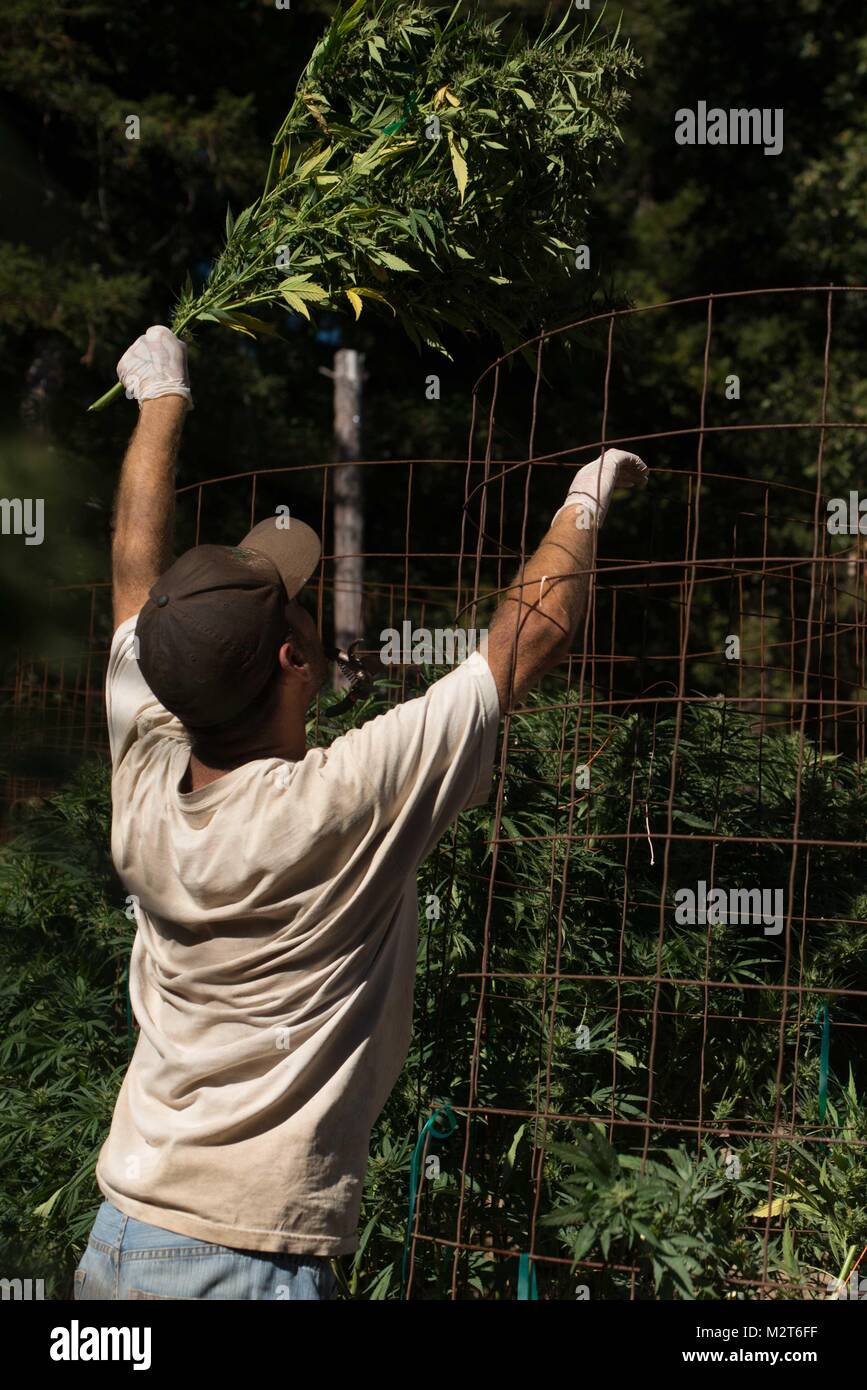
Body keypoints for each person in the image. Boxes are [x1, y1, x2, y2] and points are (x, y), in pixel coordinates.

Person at [73, 325, 647, 1300]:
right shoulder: (336, 803)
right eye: (295, 604)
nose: (304, 605)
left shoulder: (144, 770)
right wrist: (585, 499)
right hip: (244, 1262)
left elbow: (135, 578)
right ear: (295, 659)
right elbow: (528, 639)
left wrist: (159, 401)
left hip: (122, 1235)